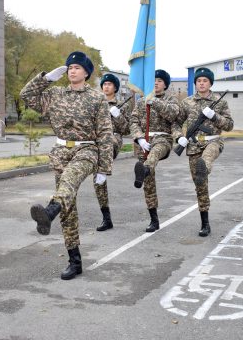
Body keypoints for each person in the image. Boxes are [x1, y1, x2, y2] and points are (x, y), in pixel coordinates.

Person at [20, 51, 113, 280]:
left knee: (69, 181)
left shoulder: (96, 98)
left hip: (86, 150)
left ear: (86, 73)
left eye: (77, 67)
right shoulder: (55, 94)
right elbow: (26, 95)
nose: (72, 70)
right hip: (61, 152)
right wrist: (45, 79)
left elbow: (105, 133)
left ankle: (49, 211)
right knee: (68, 208)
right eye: (70, 67)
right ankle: (74, 261)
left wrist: (104, 168)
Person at [172, 67, 233, 237]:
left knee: (206, 159)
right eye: (198, 81)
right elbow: (176, 123)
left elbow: (229, 125)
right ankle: (205, 223)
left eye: (205, 80)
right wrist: (179, 137)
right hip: (193, 145)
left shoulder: (219, 102)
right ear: (195, 83)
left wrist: (214, 116)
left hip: (213, 141)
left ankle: (204, 166)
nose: (201, 83)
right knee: (200, 185)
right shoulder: (187, 102)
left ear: (210, 83)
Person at [130, 69, 180, 232]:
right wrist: (139, 138)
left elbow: (173, 115)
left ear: (165, 84)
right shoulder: (141, 101)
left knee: (154, 154)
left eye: (159, 80)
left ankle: (145, 168)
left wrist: (155, 102)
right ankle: (154, 219)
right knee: (148, 183)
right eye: (153, 80)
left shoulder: (171, 99)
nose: (156, 83)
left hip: (162, 138)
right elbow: (133, 121)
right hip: (144, 141)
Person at [94, 73, 134, 231]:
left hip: (113, 139)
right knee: (98, 181)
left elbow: (126, 129)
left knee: (107, 145)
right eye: (104, 84)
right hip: (96, 140)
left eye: (109, 84)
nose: (106, 86)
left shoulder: (122, 105)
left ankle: (104, 167)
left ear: (115, 88)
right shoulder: (96, 102)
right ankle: (106, 218)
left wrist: (117, 116)